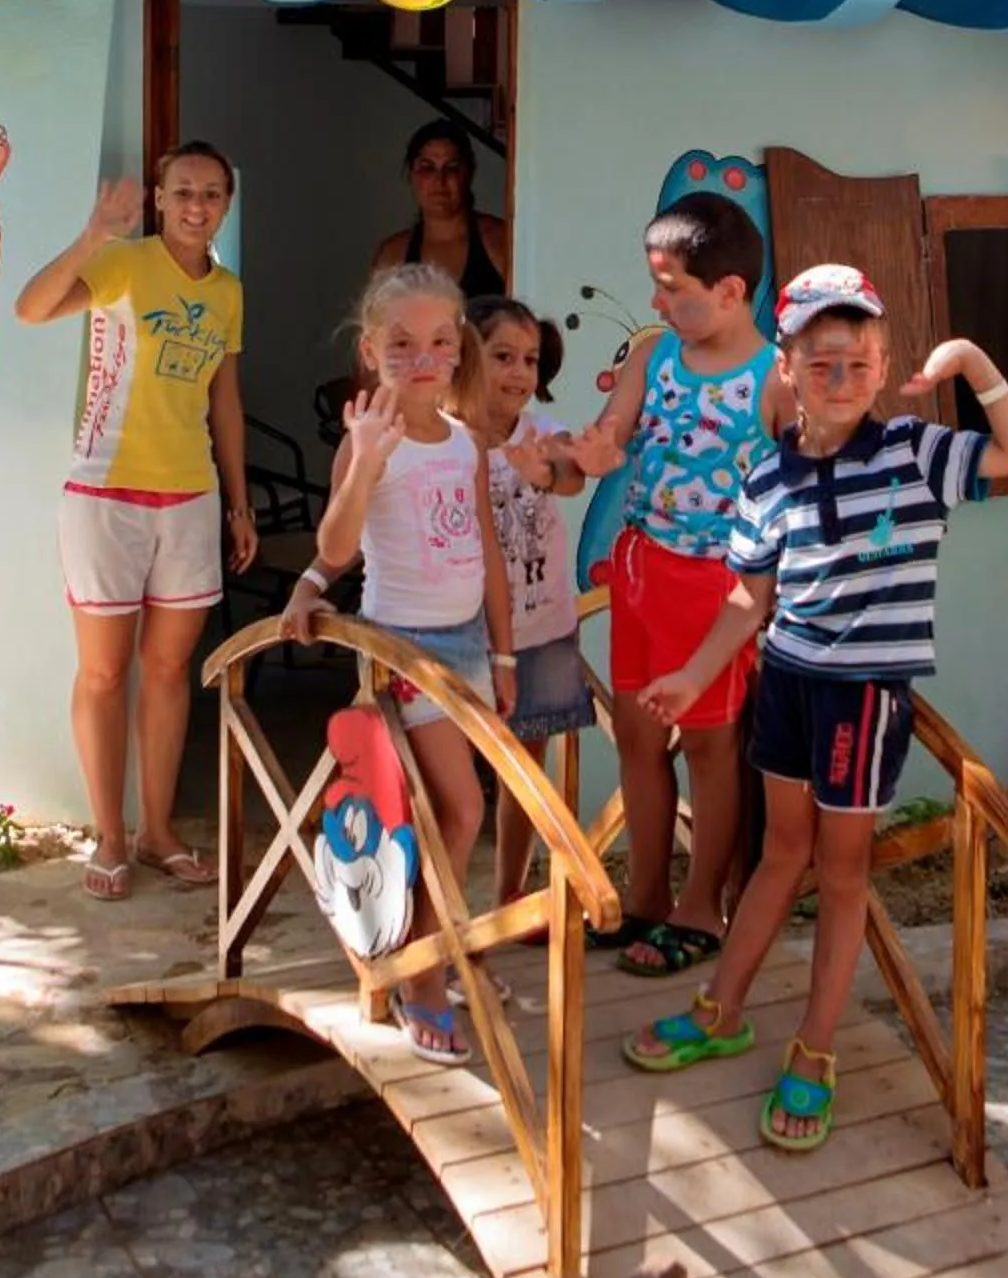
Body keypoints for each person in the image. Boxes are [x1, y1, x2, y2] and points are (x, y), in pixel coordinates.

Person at [620, 264, 1008, 1153]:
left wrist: (968, 362)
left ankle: (815, 1050)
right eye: (821, 364)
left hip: (863, 699)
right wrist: (697, 679)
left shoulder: (916, 455)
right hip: (786, 683)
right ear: (788, 371)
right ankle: (721, 1009)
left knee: (841, 872)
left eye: (857, 362)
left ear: (884, 365)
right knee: (779, 855)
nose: (841, 379)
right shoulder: (766, 482)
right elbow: (749, 598)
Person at [280, 263, 516, 1060]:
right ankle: (421, 974)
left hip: (468, 650)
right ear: (372, 350)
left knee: (448, 813)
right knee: (460, 810)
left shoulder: (463, 444)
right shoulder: (366, 443)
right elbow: (338, 548)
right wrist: (366, 461)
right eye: (403, 344)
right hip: (402, 651)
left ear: (459, 350)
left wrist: (505, 652)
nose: (424, 357)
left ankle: (438, 950)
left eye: (440, 342)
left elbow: (484, 547)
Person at [14, 141, 257, 901]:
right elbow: (29, 309)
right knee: (104, 671)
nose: (197, 206)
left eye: (212, 193)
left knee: (167, 671)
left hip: (190, 498)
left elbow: (225, 400)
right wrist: (92, 238)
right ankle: (109, 835)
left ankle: (156, 833)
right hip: (105, 496)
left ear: (227, 201)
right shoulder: (124, 263)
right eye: (183, 191)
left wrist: (240, 502)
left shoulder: (228, 292)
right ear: (159, 198)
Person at [566, 190, 777, 979]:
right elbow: (614, 433)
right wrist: (589, 453)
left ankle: (702, 907)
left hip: (719, 588)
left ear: (729, 291)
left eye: (672, 287)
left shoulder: (773, 379)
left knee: (715, 751)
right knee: (638, 737)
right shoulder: (655, 354)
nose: (656, 301)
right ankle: (646, 894)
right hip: (640, 568)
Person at [469, 295, 595, 905]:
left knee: (522, 770)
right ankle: (427, 907)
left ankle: (511, 898)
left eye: (530, 360)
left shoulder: (541, 435)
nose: (520, 373)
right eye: (502, 357)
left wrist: (545, 472)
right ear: (465, 355)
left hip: (540, 628)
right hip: (464, 631)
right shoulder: (443, 440)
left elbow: (571, 475)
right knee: (445, 779)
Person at [370, 115, 509, 297]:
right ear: (411, 174)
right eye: (428, 168)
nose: (440, 180)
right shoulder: (392, 256)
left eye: (451, 168)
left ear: (468, 174)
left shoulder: (499, 241)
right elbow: (378, 321)